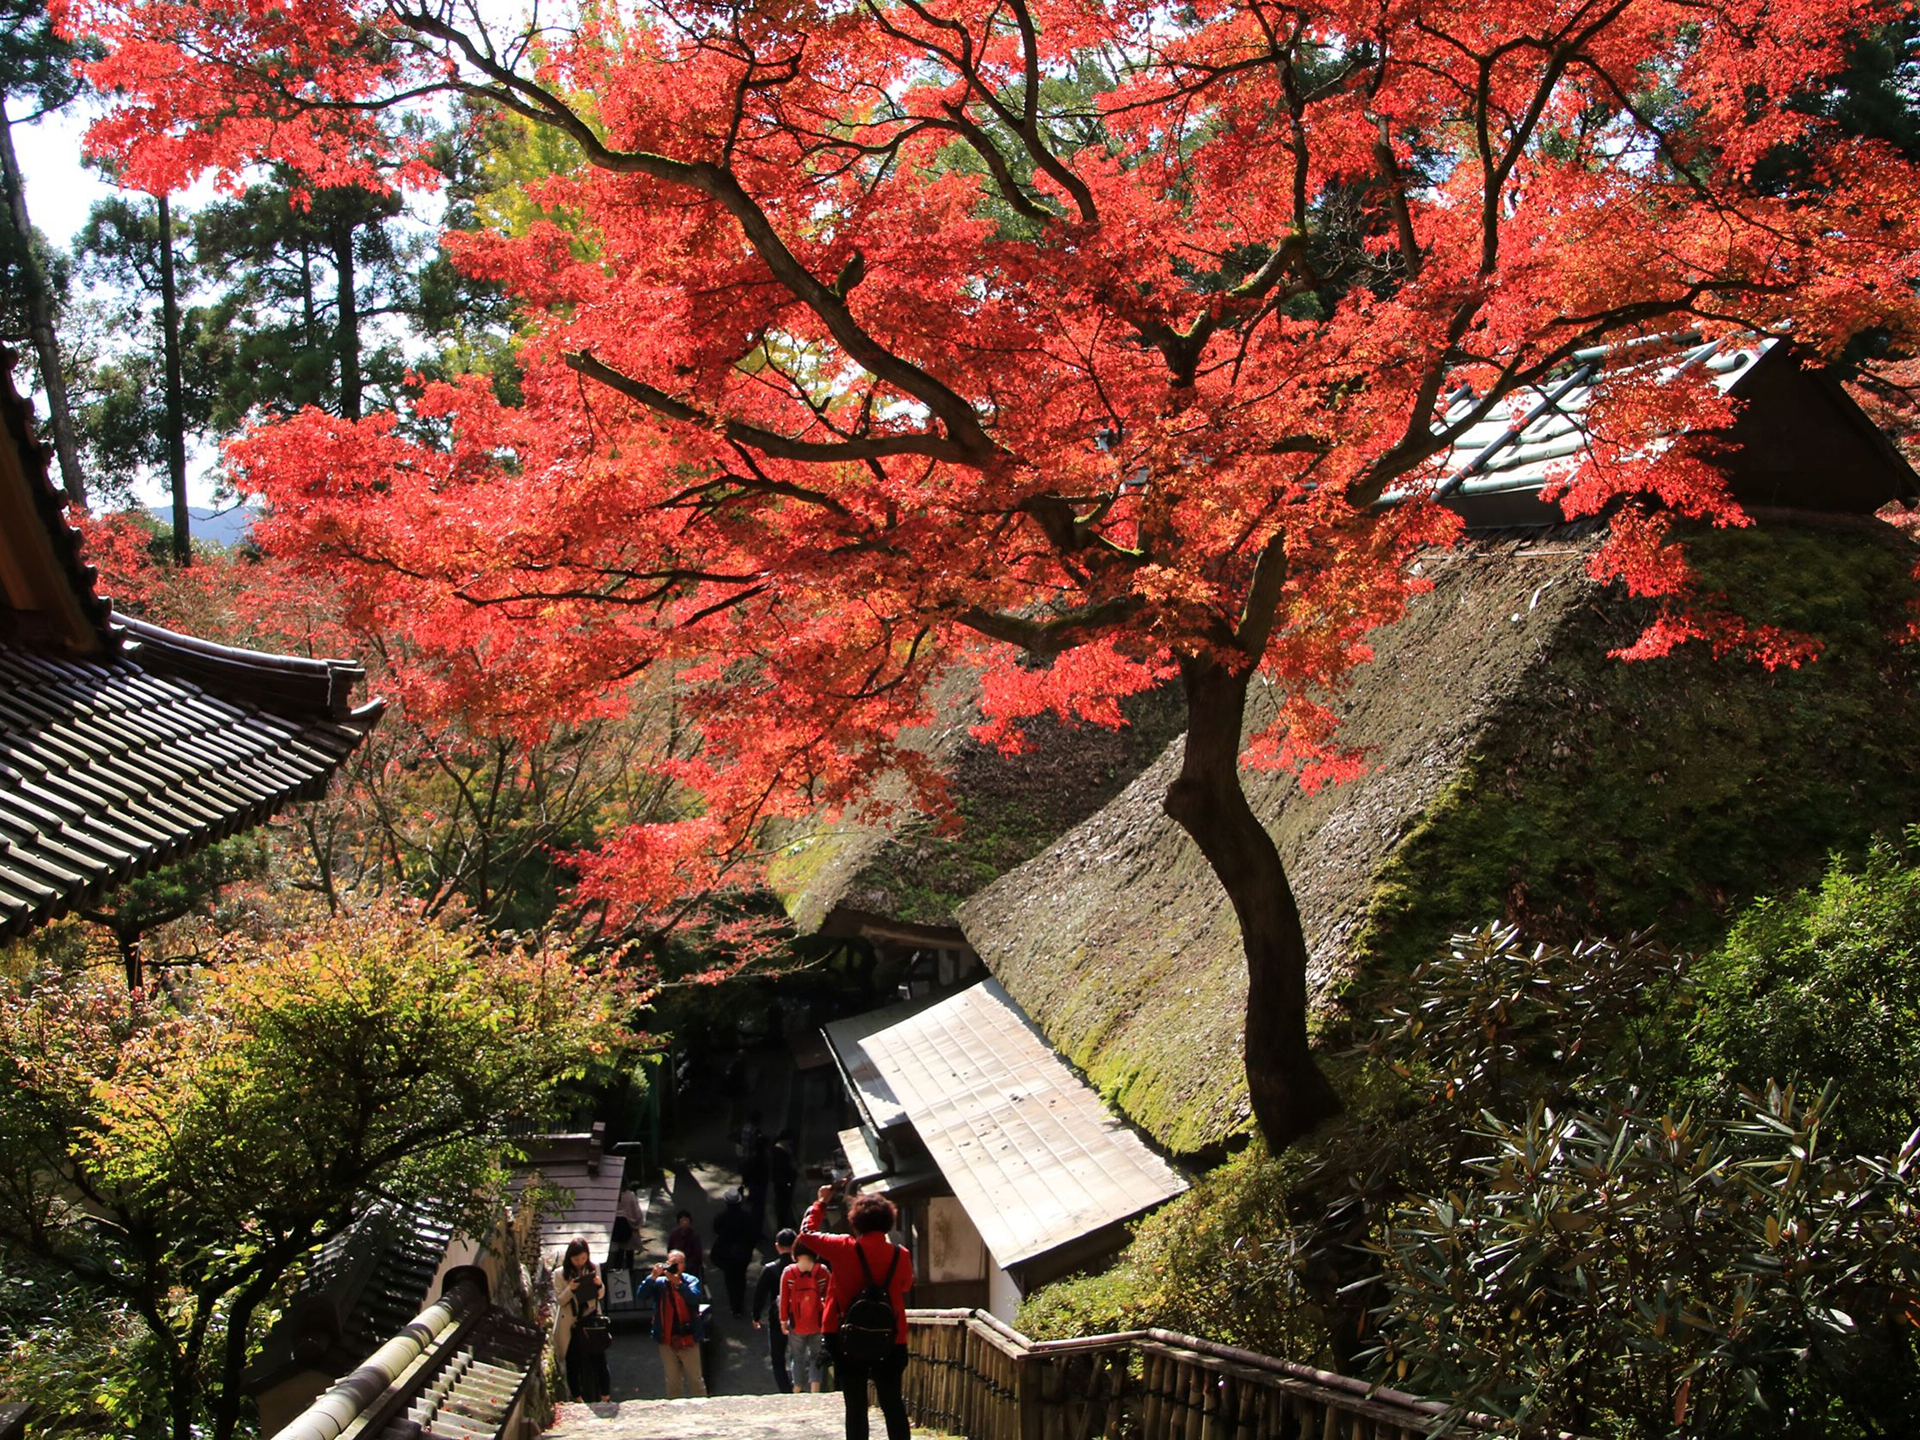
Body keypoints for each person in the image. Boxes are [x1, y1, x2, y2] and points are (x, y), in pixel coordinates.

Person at [801, 1193, 914, 1440]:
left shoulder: (842, 1247)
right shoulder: (900, 1254)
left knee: (855, 1406)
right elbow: (905, 1285)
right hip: (890, 1337)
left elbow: (806, 1234)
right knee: (892, 1404)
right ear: (888, 1221)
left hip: (845, 1335)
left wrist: (820, 1203)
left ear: (856, 1221)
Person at [638, 1250, 709, 1399]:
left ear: (683, 1265)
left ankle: (703, 1410)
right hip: (667, 1338)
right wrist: (652, 1277)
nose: (674, 1266)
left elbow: (694, 1298)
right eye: (671, 1263)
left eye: (678, 1263)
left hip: (689, 1337)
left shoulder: (691, 1281)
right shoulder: (659, 1284)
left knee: (695, 1380)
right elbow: (641, 1295)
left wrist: (678, 1284)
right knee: (673, 1381)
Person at [553, 1237, 612, 1403]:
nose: (580, 1262)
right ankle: (577, 1397)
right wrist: (570, 1289)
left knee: (598, 1358)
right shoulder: (559, 1274)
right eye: (576, 1259)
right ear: (569, 1258)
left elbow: (600, 1295)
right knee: (573, 1361)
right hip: (572, 1323)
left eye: (583, 1258)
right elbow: (560, 1300)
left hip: (591, 1319)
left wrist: (599, 1285)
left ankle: (605, 1396)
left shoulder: (593, 1268)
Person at [779, 1240, 834, 1394]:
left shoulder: (789, 1272)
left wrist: (783, 1321)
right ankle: (814, 1388)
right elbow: (829, 1296)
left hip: (796, 1323)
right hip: (817, 1321)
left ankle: (797, 1388)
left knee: (797, 1357)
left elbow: (784, 1299)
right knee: (816, 1356)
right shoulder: (822, 1271)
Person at [752, 1228, 798, 1392]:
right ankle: (800, 1385)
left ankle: (786, 1390)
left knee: (778, 1358)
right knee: (799, 1354)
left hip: (778, 1316)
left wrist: (756, 1315)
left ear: (777, 1246)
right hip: (801, 1315)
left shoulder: (770, 1269)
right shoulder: (803, 1266)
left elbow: (760, 1295)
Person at [711, 1189, 758, 1315]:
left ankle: (735, 1307)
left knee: (730, 1280)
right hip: (743, 1254)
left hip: (727, 1255)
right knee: (741, 1278)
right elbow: (753, 1236)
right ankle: (740, 1303)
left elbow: (716, 1230)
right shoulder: (747, 1218)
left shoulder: (721, 1218)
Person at [770, 1133, 799, 1229]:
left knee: (783, 1204)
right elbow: (787, 1168)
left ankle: (784, 1223)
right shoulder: (780, 1153)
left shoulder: (779, 1151)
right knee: (782, 1205)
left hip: (781, 1182)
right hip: (783, 1183)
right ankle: (782, 1224)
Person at [666, 1209, 705, 1278]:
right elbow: (670, 1249)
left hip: (690, 1264)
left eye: (686, 1221)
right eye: (682, 1221)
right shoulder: (674, 1235)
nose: (684, 1223)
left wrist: (685, 1263)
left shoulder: (694, 1236)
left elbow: (697, 1254)